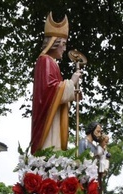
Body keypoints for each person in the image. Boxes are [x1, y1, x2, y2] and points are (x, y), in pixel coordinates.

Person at [30, 12, 83, 154]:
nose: (65, 49)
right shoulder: (45, 61)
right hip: (48, 121)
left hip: (53, 117)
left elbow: (57, 91)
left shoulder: (52, 63)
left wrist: (72, 90)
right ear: (54, 43)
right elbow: (49, 90)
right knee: (49, 149)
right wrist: (71, 82)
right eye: (63, 44)